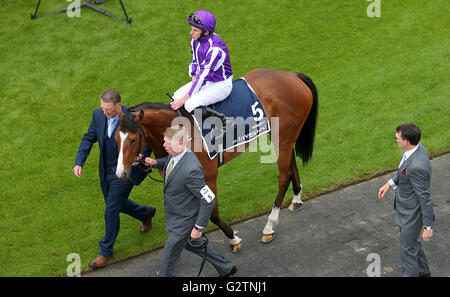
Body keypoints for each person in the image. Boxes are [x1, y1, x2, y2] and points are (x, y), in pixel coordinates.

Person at [74, 89, 157, 268]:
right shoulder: (98, 115)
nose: (105, 113)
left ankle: (106, 251)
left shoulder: (133, 118)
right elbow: (89, 138)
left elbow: (148, 139)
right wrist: (79, 161)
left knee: (112, 207)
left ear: (119, 104)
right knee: (115, 204)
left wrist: (142, 155)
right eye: (103, 108)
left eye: (109, 110)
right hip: (106, 170)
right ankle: (145, 213)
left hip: (127, 170)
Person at [144, 125, 237, 277]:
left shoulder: (191, 169)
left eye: (168, 143)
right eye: (164, 142)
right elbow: (169, 161)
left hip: (184, 222)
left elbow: (208, 199)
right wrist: (155, 163)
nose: (163, 145)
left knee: (168, 260)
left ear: (180, 143)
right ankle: (226, 268)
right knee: (195, 244)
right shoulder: (176, 154)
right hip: (179, 216)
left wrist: (198, 228)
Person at [378, 123, 435, 277]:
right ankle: (424, 273)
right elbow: (404, 171)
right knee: (412, 244)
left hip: (411, 214)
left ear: (406, 142)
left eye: (397, 138)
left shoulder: (418, 167)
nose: (395, 140)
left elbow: (425, 198)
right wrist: (390, 183)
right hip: (406, 210)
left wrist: (428, 227)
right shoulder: (417, 149)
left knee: (407, 251)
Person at [170, 10, 234, 134]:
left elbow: (204, 76)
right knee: (176, 96)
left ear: (205, 32)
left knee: (189, 104)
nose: (191, 33)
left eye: (195, 30)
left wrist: (185, 98)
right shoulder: (195, 40)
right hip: (204, 79)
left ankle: (225, 122)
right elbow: (194, 61)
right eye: (191, 29)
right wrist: (193, 75)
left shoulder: (216, 49)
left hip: (221, 84)